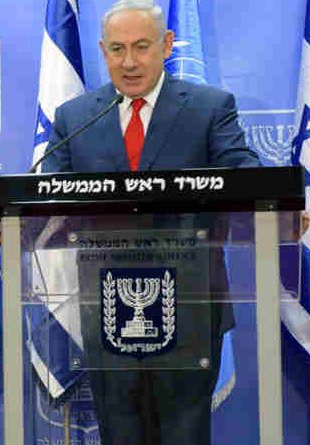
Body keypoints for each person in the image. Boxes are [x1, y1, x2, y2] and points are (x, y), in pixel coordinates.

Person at [40, 1, 259, 445]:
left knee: (184, 434)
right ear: (103, 51)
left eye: (142, 47)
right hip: (108, 306)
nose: (129, 62)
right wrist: (10, 222)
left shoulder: (209, 108)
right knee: (119, 434)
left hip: (191, 305)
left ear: (167, 45)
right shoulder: (76, 116)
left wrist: (280, 204)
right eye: (117, 49)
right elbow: (45, 197)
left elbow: (243, 173)